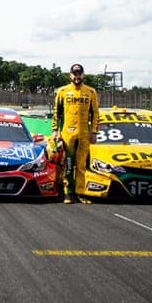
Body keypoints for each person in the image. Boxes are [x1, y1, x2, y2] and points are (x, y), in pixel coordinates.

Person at [52, 63, 99, 204]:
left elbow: (95, 113)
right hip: (68, 133)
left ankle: (80, 192)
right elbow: (56, 112)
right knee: (67, 162)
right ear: (70, 75)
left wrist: (94, 132)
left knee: (81, 164)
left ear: (83, 75)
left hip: (84, 133)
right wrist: (55, 130)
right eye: (75, 74)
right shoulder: (62, 91)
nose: (77, 76)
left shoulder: (91, 92)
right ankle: (67, 193)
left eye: (79, 73)